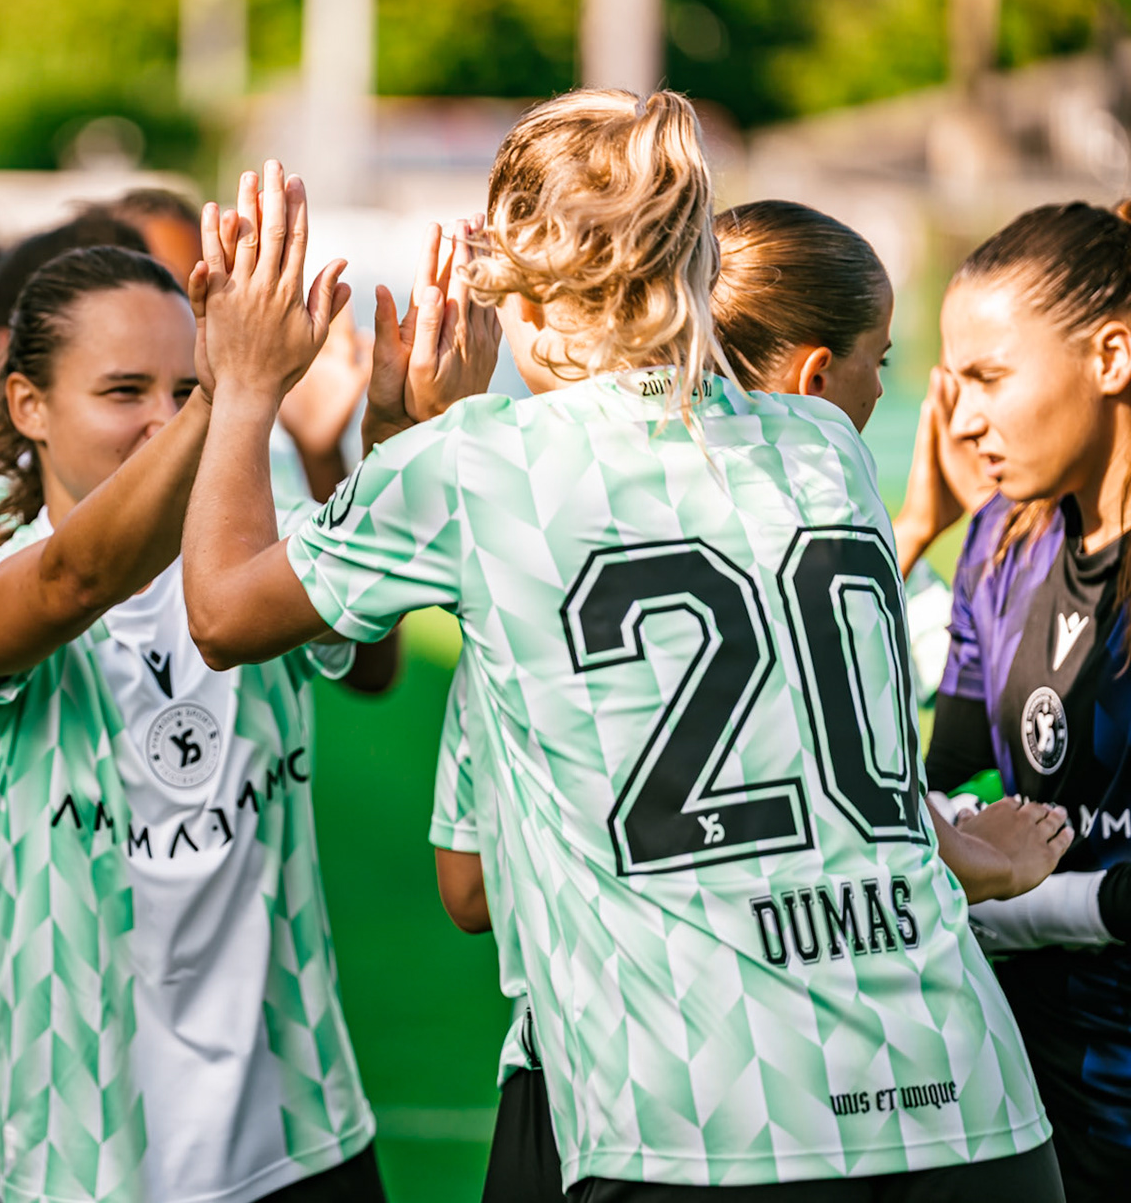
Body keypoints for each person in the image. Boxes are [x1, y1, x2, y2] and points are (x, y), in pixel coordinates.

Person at [182, 102, 1061, 1199]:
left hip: (712, 1122)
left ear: (522, 278)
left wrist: (246, 384)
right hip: (965, 1097)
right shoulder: (825, 440)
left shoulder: (476, 465)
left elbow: (221, 612)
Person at [421, 201, 1072, 1203]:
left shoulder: (549, 546)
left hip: (650, 1090)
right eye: (884, 360)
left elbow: (469, 889)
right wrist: (961, 857)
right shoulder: (837, 527)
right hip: (924, 1075)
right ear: (817, 378)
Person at [0, 234, 391, 1203]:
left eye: (183, 384)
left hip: (305, 1134)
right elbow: (79, 575)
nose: (162, 419)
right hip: (90, 1161)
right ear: (28, 404)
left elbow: (369, 656)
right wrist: (233, 395)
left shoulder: (256, 554)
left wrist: (395, 424)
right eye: (125, 392)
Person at [895, 200, 1131, 1203]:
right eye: (956, 385)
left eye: (991, 378)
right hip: (1022, 1100)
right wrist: (914, 526)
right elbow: (942, 790)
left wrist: (1024, 898)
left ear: (1113, 353)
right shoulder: (999, 542)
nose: (965, 420)